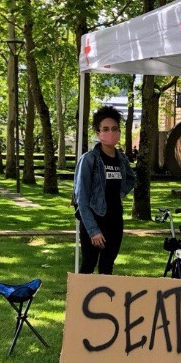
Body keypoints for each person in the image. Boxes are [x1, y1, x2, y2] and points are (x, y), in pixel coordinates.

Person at [74, 105, 136, 274]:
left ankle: (103, 300)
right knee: (88, 265)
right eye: (106, 129)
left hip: (115, 221)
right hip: (95, 220)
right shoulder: (89, 160)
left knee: (107, 266)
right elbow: (82, 198)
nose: (111, 133)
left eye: (115, 129)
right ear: (98, 132)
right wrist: (93, 231)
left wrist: (119, 194)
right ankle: (82, 300)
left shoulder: (121, 159)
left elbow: (131, 179)